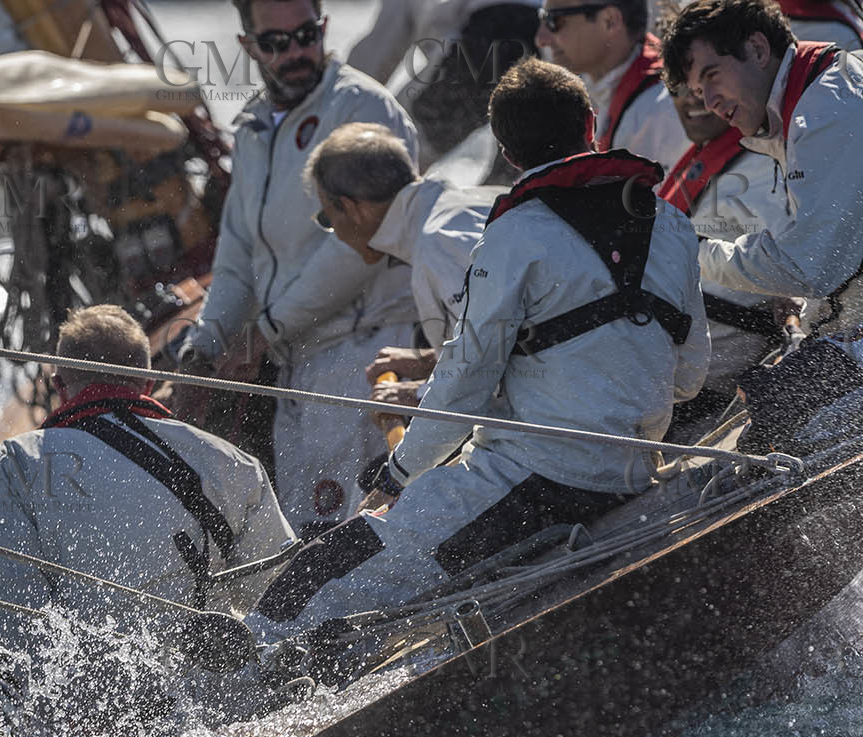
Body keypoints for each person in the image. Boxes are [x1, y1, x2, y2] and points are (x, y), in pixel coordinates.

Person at [245, 59, 709, 646]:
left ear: (507, 153)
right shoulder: (671, 222)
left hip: (537, 478)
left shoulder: (514, 235)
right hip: (632, 467)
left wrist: (399, 473)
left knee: (334, 564)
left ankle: (239, 675)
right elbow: (690, 376)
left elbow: (467, 376)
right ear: (590, 125)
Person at [0, 305, 295, 737]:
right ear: (146, 381)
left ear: (60, 386)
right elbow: (276, 595)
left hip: (93, 725)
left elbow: (15, 613)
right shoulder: (234, 463)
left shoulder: (15, 465)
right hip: (219, 715)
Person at [177, 0, 421, 538]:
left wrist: (265, 330)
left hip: (365, 359)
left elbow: (363, 243)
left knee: (355, 536)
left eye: (306, 35)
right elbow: (238, 252)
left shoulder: (363, 110)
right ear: (248, 47)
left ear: (324, 29)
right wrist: (205, 346)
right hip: (297, 369)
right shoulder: (253, 129)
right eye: (275, 42)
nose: (295, 52)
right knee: (308, 537)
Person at [661, 0, 863, 449]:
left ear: (757, 48)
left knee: (769, 434)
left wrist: (688, 250)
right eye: (698, 91)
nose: (708, 103)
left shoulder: (828, 108)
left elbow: (808, 267)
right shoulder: (825, 89)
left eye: (712, 76)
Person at [304, 121, 499, 425]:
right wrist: (435, 361)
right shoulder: (471, 203)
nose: (337, 236)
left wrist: (420, 395)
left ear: (350, 208)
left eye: (327, 219)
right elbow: (503, 337)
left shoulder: (438, 244)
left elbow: (510, 356)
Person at [658, 80, 801, 437]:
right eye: (679, 86)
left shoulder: (761, 171)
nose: (696, 98)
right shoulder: (705, 156)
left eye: (706, 81)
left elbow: (802, 276)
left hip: (702, 394)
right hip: (660, 372)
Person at [348, 0, 541, 165]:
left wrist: (345, 107)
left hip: (482, 43)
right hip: (540, 43)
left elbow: (375, 57)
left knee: (389, 152)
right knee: (514, 180)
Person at [536, 0, 691, 165]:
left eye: (554, 20)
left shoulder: (658, 109)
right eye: (542, 18)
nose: (541, 39)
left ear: (609, 21)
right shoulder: (596, 86)